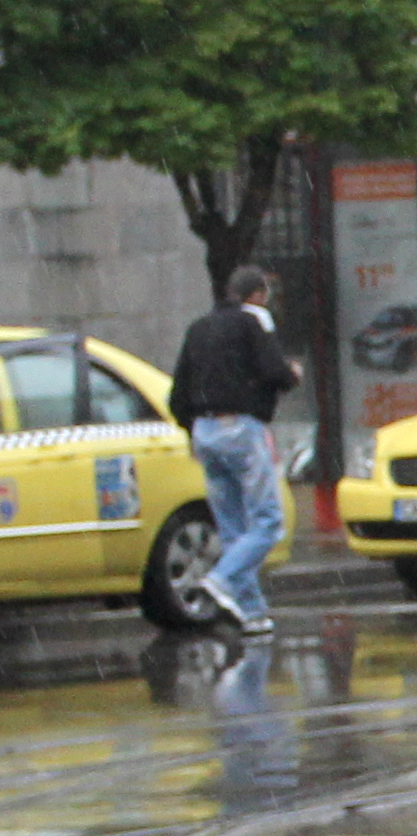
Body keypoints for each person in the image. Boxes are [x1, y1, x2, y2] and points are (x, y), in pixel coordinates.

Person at [168, 267, 301, 630]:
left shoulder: (198, 328)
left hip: (204, 431)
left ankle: (253, 614)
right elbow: (274, 370)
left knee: (232, 529)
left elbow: (177, 393)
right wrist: (292, 374)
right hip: (241, 428)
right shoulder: (252, 322)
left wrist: (193, 427)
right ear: (257, 294)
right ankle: (221, 578)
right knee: (268, 523)